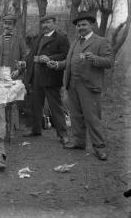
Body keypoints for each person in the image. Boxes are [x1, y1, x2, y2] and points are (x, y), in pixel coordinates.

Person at [49, 11, 113, 160]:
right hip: (73, 85)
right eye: (78, 25)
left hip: (90, 87)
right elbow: (69, 62)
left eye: (84, 25)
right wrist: (57, 64)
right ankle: (79, 142)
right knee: (75, 116)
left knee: (92, 118)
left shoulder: (101, 42)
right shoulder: (76, 41)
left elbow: (109, 62)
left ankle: (100, 148)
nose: (81, 27)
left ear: (92, 25)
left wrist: (95, 59)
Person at [23, 15, 70, 144]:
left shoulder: (61, 38)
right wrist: (24, 63)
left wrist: (49, 58)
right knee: (36, 105)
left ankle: (63, 134)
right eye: (43, 23)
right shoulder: (39, 38)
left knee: (56, 107)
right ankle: (36, 129)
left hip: (51, 76)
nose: (45, 25)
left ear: (55, 23)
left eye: (48, 22)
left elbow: (66, 56)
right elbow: (32, 55)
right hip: (36, 76)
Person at [0, 14, 27, 128]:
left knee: (11, 99)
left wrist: (19, 70)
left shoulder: (19, 40)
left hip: (13, 72)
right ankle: (1, 124)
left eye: (10, 24)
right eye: (6, 24)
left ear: (13, 26)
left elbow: (24, 58)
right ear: (2, 25)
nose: (7, 26)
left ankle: (10, 124)